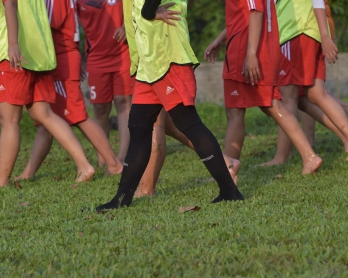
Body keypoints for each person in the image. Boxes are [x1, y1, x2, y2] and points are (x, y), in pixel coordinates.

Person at [96, 0, 244, 212]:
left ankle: (230, 191)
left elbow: (145, 10)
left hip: (168, 58)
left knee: (189, 123)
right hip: (148, 64)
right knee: (138, 128)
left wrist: (149, 11)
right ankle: (121, 199)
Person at [204, 0, 323, 175]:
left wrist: (251, 54)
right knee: (271, 105)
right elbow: (245, 14)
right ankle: (309, 156)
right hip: (255, 48)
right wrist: (221, 38)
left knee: (237, 111)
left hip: (246, 51)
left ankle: (226, 171)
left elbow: (256, 12)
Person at [15, 0, 124, 181]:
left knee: (78, 116)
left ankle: (112, 164)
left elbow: (44, 25)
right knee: (46, 121)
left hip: (59, 58)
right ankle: (28, 173)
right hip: (62, 56)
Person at [0, 0, 95, 186]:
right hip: (40, 57)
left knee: (9, 121)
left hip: (15, 54)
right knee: (44, 114)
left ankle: (2, 181)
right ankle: (84, 165)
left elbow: (10, 3)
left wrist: (12, 44)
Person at [260, 0, 348, 166]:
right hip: (306, 31)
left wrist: (325, 36)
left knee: (288, 98)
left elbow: (318, 1)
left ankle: (281, 157)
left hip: (296, 32)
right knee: (314, 95)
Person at [76, 0, 133, 166]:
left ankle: (123, 156)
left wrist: (127, 27)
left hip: (123, 54)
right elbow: (72, 26)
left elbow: (137, 9)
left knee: (123, 103)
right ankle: (104, 158)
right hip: (96, 58)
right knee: (100, 108)